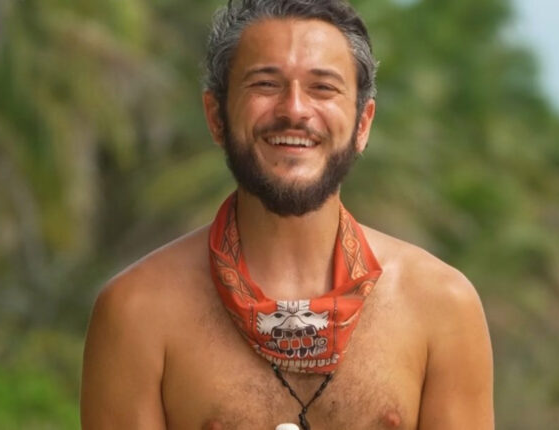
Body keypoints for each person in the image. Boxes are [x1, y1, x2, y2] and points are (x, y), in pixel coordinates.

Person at [80, 0, 494, 428]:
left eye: (323, 87)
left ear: (362, 123)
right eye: (265, 84)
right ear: (216, 116)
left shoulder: (440, 306)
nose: (294, 109)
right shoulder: (139, 312)